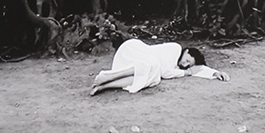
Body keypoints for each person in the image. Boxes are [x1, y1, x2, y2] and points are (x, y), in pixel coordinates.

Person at [90, 38, 230, 95]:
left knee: (151, 78)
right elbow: (166, 73)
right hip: (133, 49)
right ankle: (108, 76)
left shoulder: (177, 67)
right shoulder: (175, 48)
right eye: (187, 60)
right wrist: (187, 73)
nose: (185, 65)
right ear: (186, 51)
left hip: (139, 64)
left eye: (188, 65)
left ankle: (103, 85)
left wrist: (215, 73)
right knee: (154, 67)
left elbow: (197, 69)